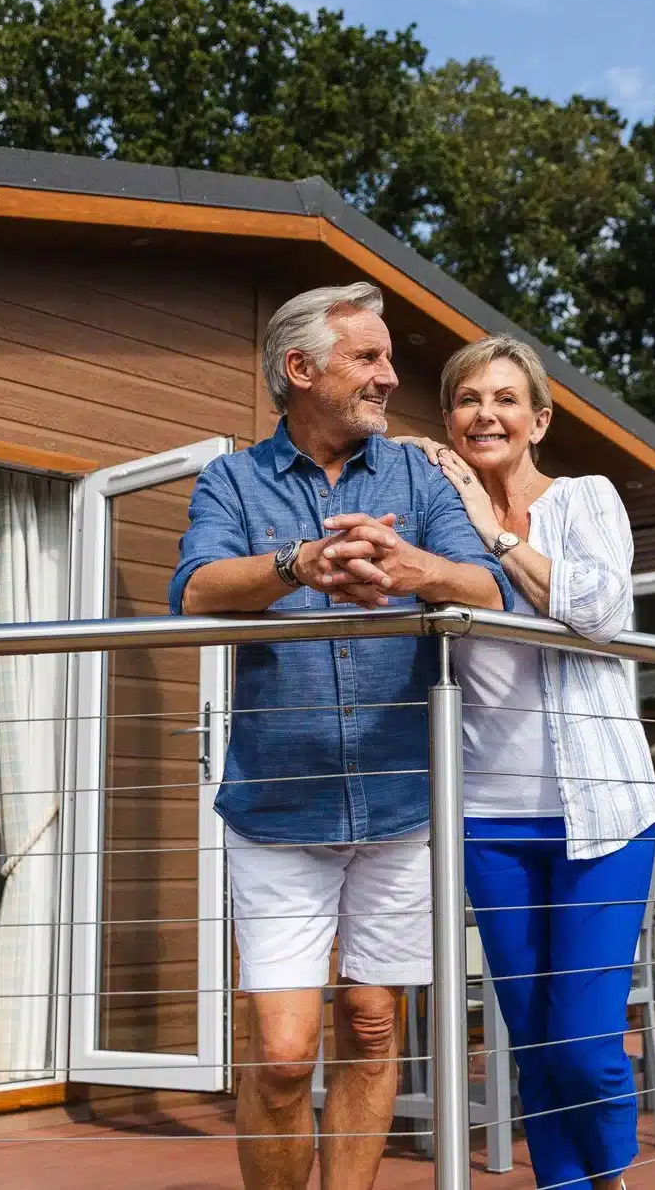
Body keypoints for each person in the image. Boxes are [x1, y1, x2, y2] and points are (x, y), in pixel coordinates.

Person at [170, 281, 512, 1190]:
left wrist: (413, 567)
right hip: (278, 808)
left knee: (370, 1024)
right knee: (282, 1054)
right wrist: (301, 564)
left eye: (387, 358)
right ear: (300, 369)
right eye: (368, 358)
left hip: (403, 803)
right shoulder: (232, 481)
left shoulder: (415, 474)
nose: (391, 377)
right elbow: (197, 590)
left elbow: (488, 587)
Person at [394, 334, 655, 1190]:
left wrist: (494, 532)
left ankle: (613, 1179)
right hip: (490, 822)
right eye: (469, 399)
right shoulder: (436, 514)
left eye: (506, 399)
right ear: (448, 419)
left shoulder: (585, 498)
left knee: (585, 1045)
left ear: (539, 418)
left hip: (605, 817)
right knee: (533, 1040)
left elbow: (601, 610)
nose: (487, 414)